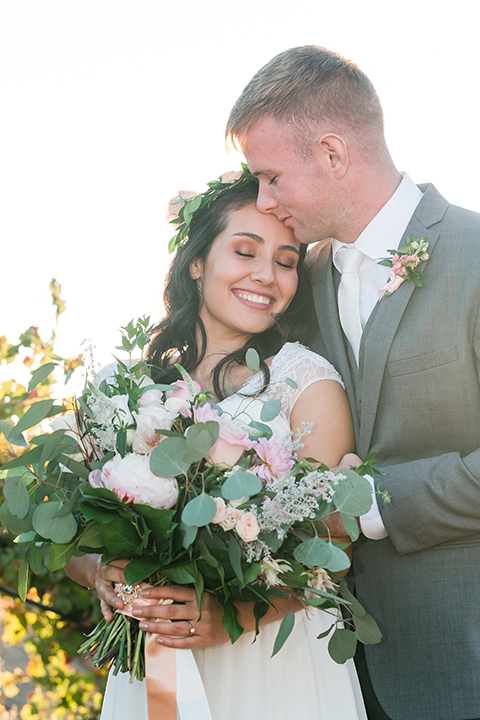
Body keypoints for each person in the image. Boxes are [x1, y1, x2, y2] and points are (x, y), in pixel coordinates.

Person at [225, 45, 480, 720]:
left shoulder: (476, 257)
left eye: (272, 177)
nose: (263, 199)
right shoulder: (295, 282)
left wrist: (368, 505)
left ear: (334, 155)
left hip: (465, 664)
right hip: (325, 674)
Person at [67, 173, 368, 720]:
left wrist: (231, 613)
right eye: (245, 251)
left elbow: (333, 546)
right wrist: (100, 573)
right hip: (154, 656)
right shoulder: (119, 387)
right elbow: (72, 527)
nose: (266, 275)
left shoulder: (306, 382)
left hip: (275, 656)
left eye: (285, 260)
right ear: (196, 262)